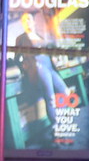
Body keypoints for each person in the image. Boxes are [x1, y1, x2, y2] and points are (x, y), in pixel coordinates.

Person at [14, 11, 70, 148]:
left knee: (65, 92)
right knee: (50, 98)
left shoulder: (39, 35)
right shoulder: (21, 38)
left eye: (29, 19)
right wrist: (25, 69)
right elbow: (16, 58)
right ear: (23, 23)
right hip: (38, 67)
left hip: (49, 66)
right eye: (24, 20)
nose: (27, 22)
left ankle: (58, 125)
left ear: (33, 22)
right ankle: (57, 131)